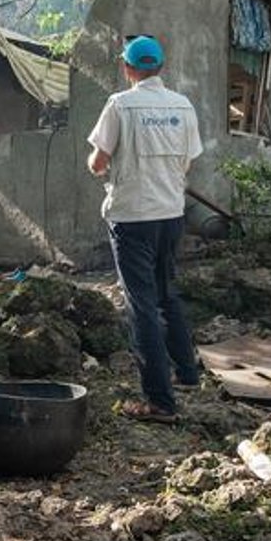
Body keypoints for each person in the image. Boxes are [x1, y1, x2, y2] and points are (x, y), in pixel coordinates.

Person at [86, 35, 203, 423]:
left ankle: (160, 402)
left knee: (142, 306)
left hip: (133, 217)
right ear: (161, 67)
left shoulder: (120, 105)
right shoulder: (183, 106)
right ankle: (187, 374)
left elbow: (98, 163)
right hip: (171, 214)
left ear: (128, 68)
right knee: (167, 293)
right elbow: (188, 163)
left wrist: (98, 162)